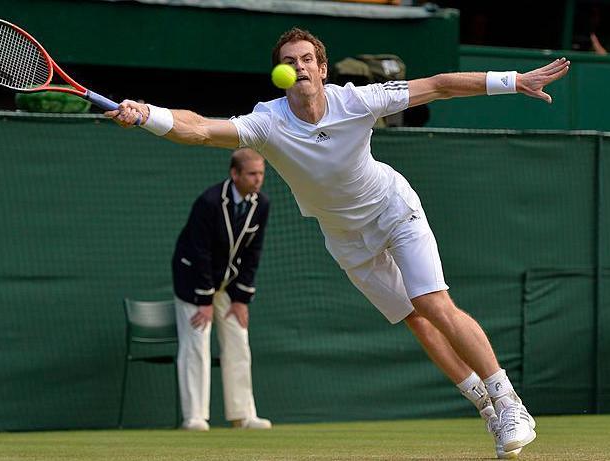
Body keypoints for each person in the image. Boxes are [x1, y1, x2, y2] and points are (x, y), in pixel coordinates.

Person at [109, 28, 569, 457]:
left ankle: (509, 401)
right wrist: (149, 115)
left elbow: (440, 85)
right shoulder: (267, 122)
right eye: (291, 61)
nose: (300, 66)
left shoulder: (359, 100)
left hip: (393, 210)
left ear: (323, 69)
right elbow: (202, 129)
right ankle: (486, 408)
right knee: (415, 319)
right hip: (346, 239)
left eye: (308, 59)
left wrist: (514, 80)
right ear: (281, 72)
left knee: (431, 301)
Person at [171, 148, 272, 431]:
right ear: (235, 174)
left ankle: (243, 415)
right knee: (196, 343)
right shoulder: (209, 201)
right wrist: (204, 300)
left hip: (228, 283)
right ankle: (195, 417)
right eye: (252, 174)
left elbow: (254, 253)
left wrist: (241, 299)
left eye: (261, 174)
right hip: (193, 279)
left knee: (239, 340)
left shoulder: (261, 204)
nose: (258, 180)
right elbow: (199, 251)